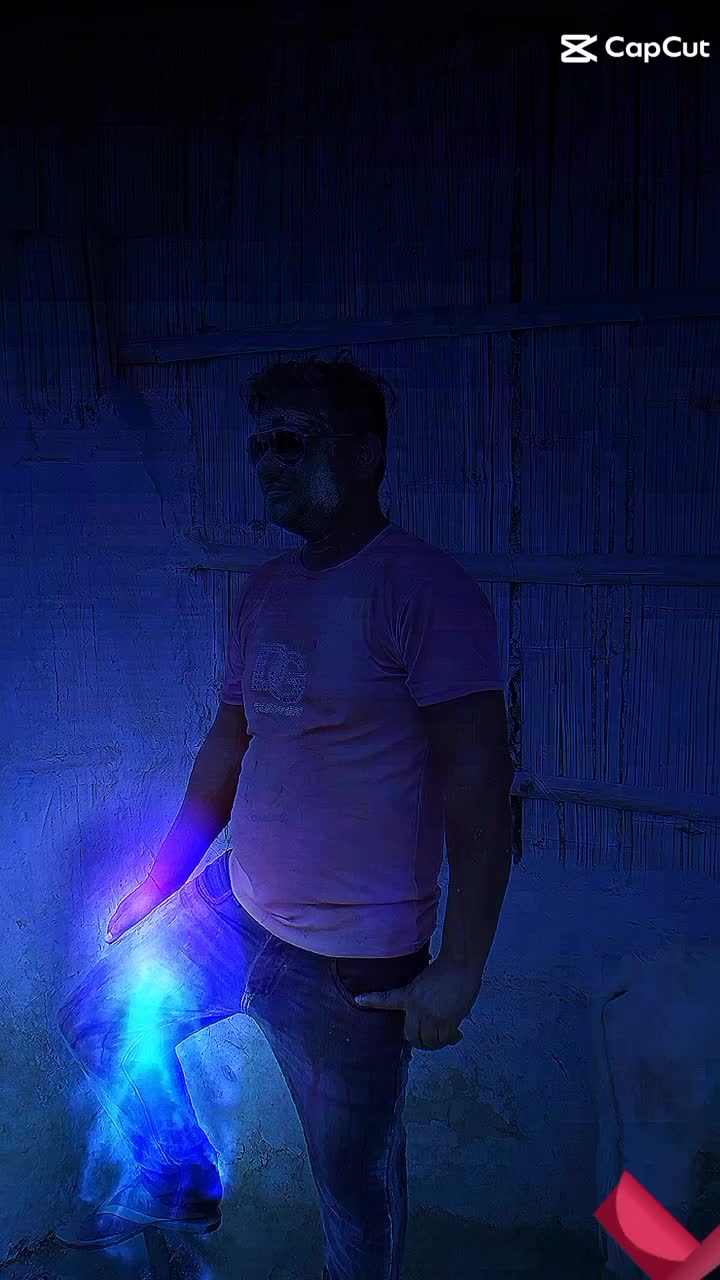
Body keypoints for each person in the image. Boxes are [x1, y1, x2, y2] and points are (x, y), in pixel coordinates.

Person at [54, 357, 515, 1280]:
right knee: (99, 1017)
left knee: (355, 1193)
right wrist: (161, 881)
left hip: (354, 966)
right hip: (235, 907)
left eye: (291, 442)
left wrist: (460, 968)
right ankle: (180, 1178)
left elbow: (479, 788)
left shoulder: (426, 591)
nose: (266, 462)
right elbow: (226, 749)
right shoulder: (266, 590)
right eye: (258, 444)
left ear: (366, 453)